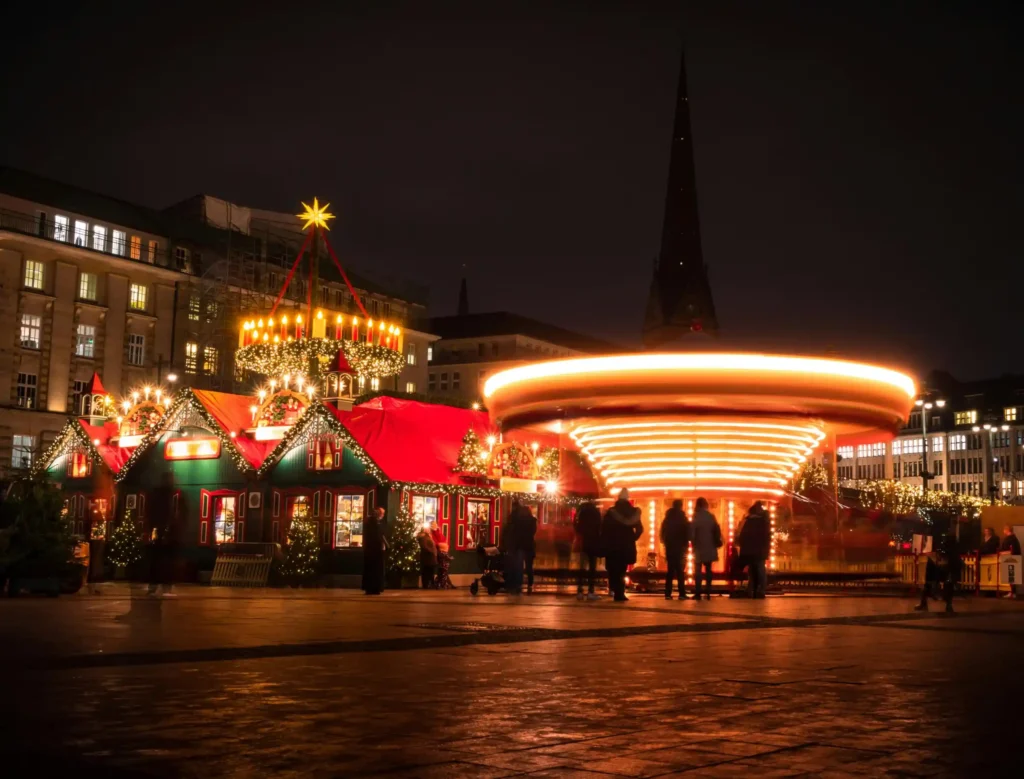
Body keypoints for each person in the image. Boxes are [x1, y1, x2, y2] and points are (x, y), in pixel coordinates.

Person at [602, 488, 643, 602]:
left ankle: (614, 590)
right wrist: (633, 538)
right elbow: (639, 529)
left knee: (613, 568)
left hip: (613, 544)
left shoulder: (611, 512)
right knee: (622, 569)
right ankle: (620, 592)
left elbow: (604, 528)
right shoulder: (633, 512)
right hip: (626, 545)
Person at [737, 502, 771, 599]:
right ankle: (760, 590)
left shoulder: (749, 521)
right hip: (760, 551)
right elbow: (766, 537)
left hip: (750, 551)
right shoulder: (764, 522)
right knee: (760, 570)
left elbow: (742, 537)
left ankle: (751, 590)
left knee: (752, 571)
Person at [690, 497, 721, 601]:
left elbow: (692, 533)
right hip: (710, 546)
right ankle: (708, 590)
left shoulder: (696, 517)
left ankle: (698, 592)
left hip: (699, 547)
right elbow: (716, 530)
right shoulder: (711, 516)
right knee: (708, 570)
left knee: (698, 570)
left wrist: (692, 542)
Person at [660, 500, 690, 600]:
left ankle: (668, 593)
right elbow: (686, 532)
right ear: (681, 506)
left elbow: (662, 533)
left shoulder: (667, 518)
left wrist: (665, 542)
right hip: (680, 547)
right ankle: (681, 593)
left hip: (670, 547)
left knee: (670, 571)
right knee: (680, 571)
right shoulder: (682, 518)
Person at [574, 501, 602, 600]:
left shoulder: (581, 513)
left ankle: (580, 591)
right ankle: (591, 591)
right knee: (592, 569)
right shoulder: (596, 513)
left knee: (582, 568)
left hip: (584, 543)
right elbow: (600, 528)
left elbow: (577, 527)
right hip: (594, 543)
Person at [501, 500, 525, 594]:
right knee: (518, 566)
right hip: (518, 547)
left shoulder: (510, 520)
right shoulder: (522, 520)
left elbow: (506, 533)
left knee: (511, 566)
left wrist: (504, 544)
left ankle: (511, 584)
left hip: (512, 546)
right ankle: (517, 584)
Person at [362, 507, 387, 595]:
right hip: (376, 550)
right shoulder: (375, 524)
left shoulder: (369, 523)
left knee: (370, 570)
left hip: (370, 550)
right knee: (376, 570)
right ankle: (375, 588)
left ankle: (370, 588)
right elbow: (378, 536)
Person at [518, 504, 538, 594]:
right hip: (530, 545)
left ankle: (519, 582)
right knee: (529, 566)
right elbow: (533, 532)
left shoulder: (520, 521)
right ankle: (530, 583)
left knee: (519, 565)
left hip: (521, 545)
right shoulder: (533, 521)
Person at [1000, 525, 1021, 599]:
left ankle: (1012, 592)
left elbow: (1009, 549)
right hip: (1010, 558)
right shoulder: (1013, 538)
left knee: (1011, 576)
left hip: (1010, 558)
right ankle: (1011, 592)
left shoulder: (1011, 539)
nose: (1003, 531)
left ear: (1007, 530)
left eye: (1004, 530)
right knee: (1011, 577)